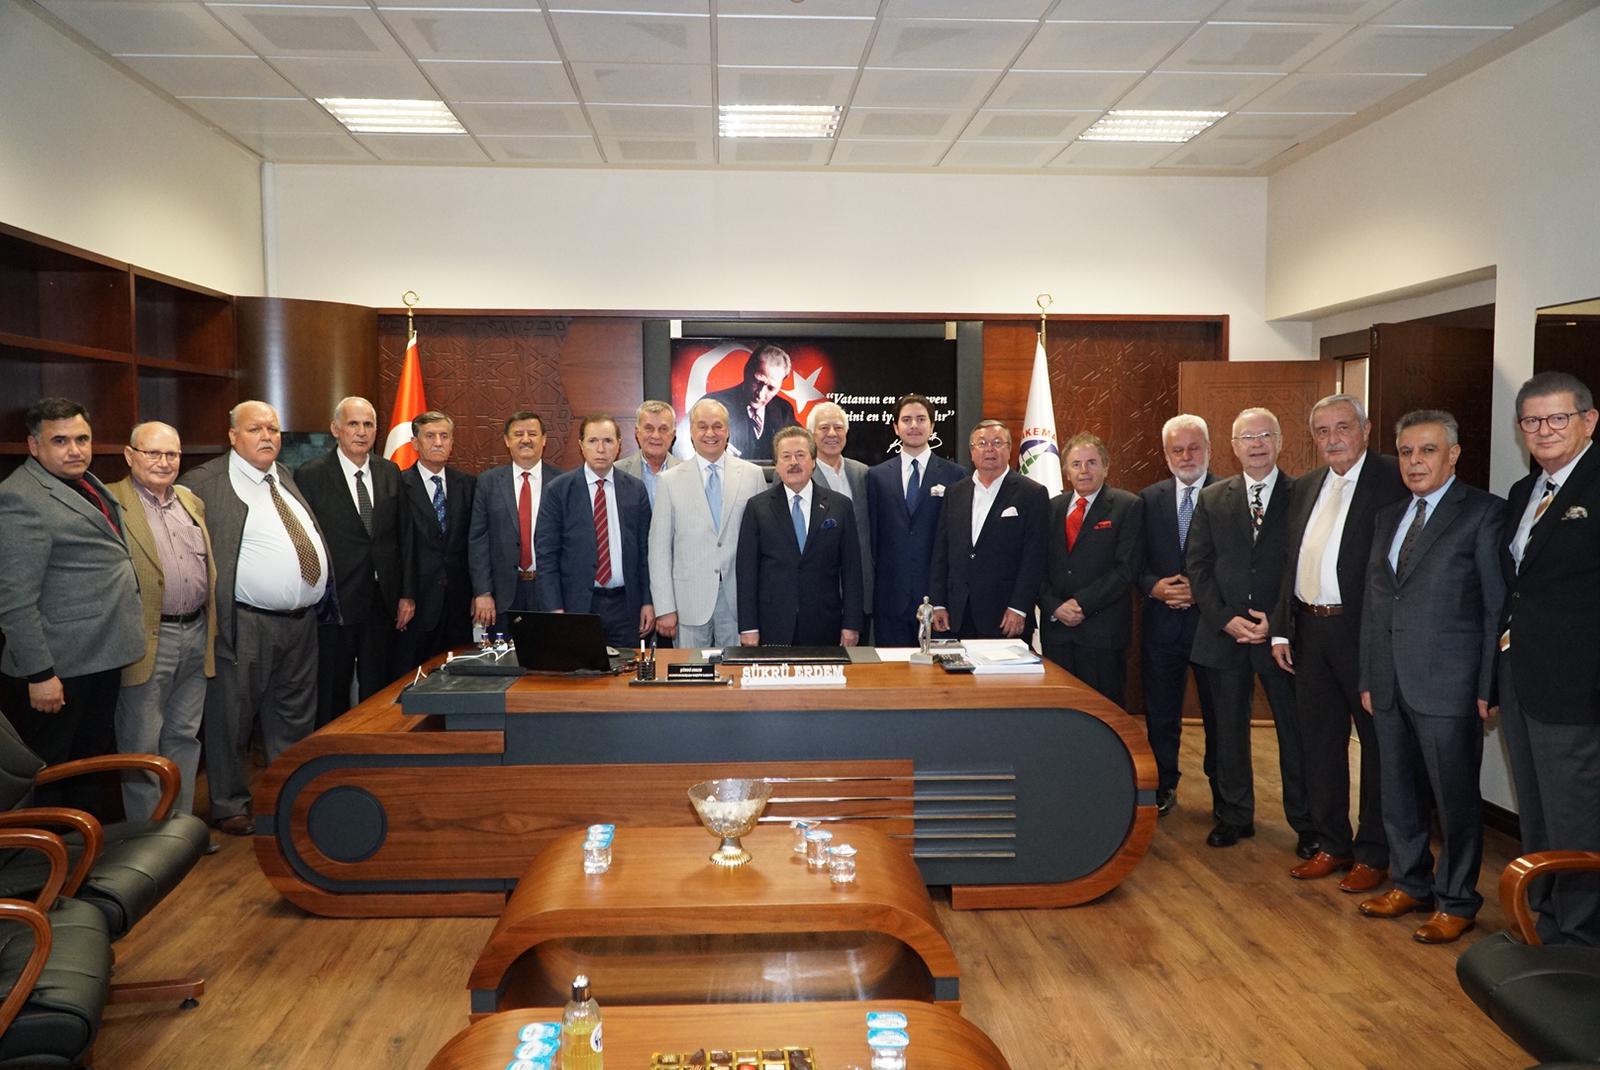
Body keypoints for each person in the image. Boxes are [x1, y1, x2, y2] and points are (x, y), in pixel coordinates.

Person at [1356, 409, 1504, 944]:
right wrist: (1369, 676)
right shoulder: (1388, 516)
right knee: (1396, 791)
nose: (1415, 462)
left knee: (1455, 799)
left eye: (1428, 450)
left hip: (1449, 685)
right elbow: (1377, 603)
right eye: (1407, 452)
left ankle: (1457, 899)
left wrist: (1488, 685)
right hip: (1389, 681)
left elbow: (1495, 609)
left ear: (1454, 454)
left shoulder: (1484, 513)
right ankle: (1409, 883)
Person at [1272, 394, 1407, 891]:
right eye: (1323, 431)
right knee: (1320, 742)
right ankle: (1332, 843)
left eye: (1343, 427)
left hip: (1364, 632)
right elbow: (1291, 559)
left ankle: (1373, 852)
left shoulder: (1394, 477)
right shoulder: (1307, 485)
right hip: (1310, 631)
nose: (1333, 439)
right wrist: (1282, 627)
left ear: (1366, 430)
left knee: (1376, 745)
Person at [181, 400, 331, 836]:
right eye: (256, 429)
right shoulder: (205, 483)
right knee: (232, 716)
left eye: (273, 429)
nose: (268, 436)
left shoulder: (282, 476)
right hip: (245, 622)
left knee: (294, 716)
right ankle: (229, 804)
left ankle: (287, 796)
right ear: (232, 436)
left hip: (300, 623)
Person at [1496, 371, 1600, 946]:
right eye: (1532, 420)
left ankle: (1580, 939)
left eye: (1558, 418)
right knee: (1535, 809)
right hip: (1521, 677)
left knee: (1576, 815)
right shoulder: (1524, 493)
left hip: (1577, 686)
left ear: (1589, 421)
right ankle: (1543, 920)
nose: (1544, 430)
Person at [0, 397, 142, 813]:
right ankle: (47, 852)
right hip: (58, 669)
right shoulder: (19, 498)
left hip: (100, 657)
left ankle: (84, 848)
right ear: (34, 445)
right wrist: (41, 674)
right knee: (52, 778)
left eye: (82, 439)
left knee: (88, 770)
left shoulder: (87, 483)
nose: (75, 450)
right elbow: (14, 600)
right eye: (60, 441)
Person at [1187, 408, 1312, 853]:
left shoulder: (1303, 494)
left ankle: (1307, 823)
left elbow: (1304, 564)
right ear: (1233, 447)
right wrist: (1225, 617)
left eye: (1264, 436)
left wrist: (1274, 622)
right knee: (1228, 732)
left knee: (1295, 733)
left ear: (1279, 441)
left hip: (1282, 638)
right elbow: (1198, 565)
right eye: (1247, 438)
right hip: (1224, 634)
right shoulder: (1212, 498)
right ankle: (1234, 815)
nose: (1256, 444)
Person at [105, 421, 217, 821]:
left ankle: (178, 833)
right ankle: (146, 839)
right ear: (130, 455)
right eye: (153, 453)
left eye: (172, 454)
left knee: (184, 736)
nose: (164, 462)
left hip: (195, 632)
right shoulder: (111, 502)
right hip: (147, 640)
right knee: (141, 744)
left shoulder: (189, 500)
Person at [297, 396, 415, 726]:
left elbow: (403, 537)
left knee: (379, 686)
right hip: (335, 601)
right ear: (336, 429)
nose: (361, 432)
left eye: (368, 425)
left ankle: (375, 743)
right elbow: (305, 540)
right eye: (353, 424)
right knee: (332, 686)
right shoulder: (311, 475)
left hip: (382, 600)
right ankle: (333, 747)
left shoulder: (389, 471)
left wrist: (407, 594)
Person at [1136, 414, 1218, 816]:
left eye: (1194, 448)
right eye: (1178, 450)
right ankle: (1163, 785)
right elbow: (1134, 560)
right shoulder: (1148, 499)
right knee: (1161, 714)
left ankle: (1226, 798)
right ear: (1166, 454)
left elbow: (1239, 562)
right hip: (1162, 624)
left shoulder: (1229, 493)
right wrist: (1154, 586)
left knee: (1219, 716)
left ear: (1209, 450)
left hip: (1213, 626)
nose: (1186, 457)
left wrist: (1200, 592)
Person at [648, 398, 765, 648]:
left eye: (717, 426)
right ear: (691, 432)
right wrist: (665, 607)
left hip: (739, 602)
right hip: (688, 603)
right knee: (689, 670)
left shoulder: (753, 475)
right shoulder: (669, 481)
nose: (710, 433)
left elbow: (763, 545)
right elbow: (659, 550)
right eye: (702, 426)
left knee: (735, 670)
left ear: (728, 431)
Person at [1038, 432, 1143, 706]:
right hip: (1057, 632)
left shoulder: (1127, 506)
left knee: (1102, 713)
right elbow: (1035, 566)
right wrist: (1054, 606)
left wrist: (1081, 604)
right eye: (1076, 464)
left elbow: (1126, 569)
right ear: (1066, 472)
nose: (1083, 470)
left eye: (1091, 462)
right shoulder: (1051, 508)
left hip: (1102, 633)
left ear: (1106, 467)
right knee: (1059, 711)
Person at [736, 426, 863, 647]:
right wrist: (748, 627)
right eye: (786, 456)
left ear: (813, 461)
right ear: (776, 464)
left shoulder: (840, 506)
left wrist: (851, 624)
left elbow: (852, 570)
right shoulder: (757, 507)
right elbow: (747, 572)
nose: (793, 462)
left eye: (800, 455)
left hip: (826, 624)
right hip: (772, 624)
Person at [536, 415, 654, 649]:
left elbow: (645, 551)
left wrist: (647, 601)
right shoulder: (558, 490)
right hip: (577, 607)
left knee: (627, 670)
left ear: (619, 445)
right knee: (581, 670)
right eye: (592, 441)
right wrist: (554, 608)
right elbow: (546, 555)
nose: (601, 449)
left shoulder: (635, 489)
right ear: (581, 445)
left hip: (626, 607)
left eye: (608, 441)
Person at [929, 420, 1048, 641]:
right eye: (982, 443)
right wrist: (938, 603)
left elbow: (1035, 558)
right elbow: (941, 552)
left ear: (1009, 449)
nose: (990, 449)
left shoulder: (1032, 493)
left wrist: (1019, 607)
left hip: (1005, 615)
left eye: (997, 443)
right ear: (972, 452)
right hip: (957, 614)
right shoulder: (954, 492)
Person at [867, 394, 965, 646]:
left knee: (938, 668)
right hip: (890, 600)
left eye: (921, 419)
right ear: (895, 427)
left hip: (938, 601)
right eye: (906, 419)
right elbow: (874, 540)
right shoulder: (876, 476)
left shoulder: (956, 475)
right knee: (892, 669)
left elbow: (957, 543)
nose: (914, 425)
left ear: (932, 426)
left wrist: (943, 597)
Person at [468, 411, 563, 630]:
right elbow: (478, 541)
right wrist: (483, 592)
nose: (526, 439)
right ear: (506, 440)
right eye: (518, 434)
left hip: (550, 593)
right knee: (504, 652)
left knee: (549, 651)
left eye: (532, 434)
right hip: (502, 595)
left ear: (544, 439)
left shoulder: (562, 482)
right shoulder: (488, 482)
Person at [396, 410, 476, 667]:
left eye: (444, 436)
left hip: (458, 604)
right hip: (416, 604)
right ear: (415, 443)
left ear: (452, 442)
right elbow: (396, 548)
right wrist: (405, 595)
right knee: (413, 678)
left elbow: (474, 543)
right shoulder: (397, 485)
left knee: (459, 678)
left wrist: (478, 592)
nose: (438, 442)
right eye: (430, 436)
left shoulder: (468, 485)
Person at [808, 401, 873, 637]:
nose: (832, 434)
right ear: (811, 434)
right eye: (824, 428)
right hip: (818, 595)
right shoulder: (800, 475)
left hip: (861, 592)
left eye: (838, 427)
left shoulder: (863, 473)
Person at [701, 343, 799, 462]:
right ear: (746, 371)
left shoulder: (784, 410)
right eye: (758, 382)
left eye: (771, 388)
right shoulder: (711, 405)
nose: (760, 394)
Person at [614, 400, 679, 507]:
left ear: (673, 434)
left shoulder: (688, 473)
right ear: (637, 432)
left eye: (663, 429)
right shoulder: (617, 472)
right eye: (649, 429)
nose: (656, 436)